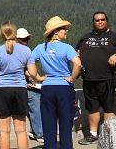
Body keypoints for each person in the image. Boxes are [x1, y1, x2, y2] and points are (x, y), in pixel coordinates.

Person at [75, 11, 116, 144]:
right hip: (88, 78)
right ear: (93, 22)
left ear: (106, 21)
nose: (100, 22)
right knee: (92, 108)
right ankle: (93, 134)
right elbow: (76, 53)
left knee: (109, 108)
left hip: (107, 78)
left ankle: (109, 134)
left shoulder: (114, 37)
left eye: (102, 19)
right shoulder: (85, 37)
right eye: (97, 20)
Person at [31, 16, 82, 149]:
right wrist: (72, 78)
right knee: (65, 125)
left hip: (47, 88)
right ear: (55, 32)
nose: (66, 31)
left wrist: (37, 77)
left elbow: (30, 63)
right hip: (64, 89)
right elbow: (77, 64)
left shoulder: (40, 48)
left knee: (48, 125)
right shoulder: (66, 47)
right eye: (64, 29)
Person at [0, 21, 38, 149]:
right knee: (21, 130)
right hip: (20, 90)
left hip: (2, 90)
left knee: (4, 131)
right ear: (15, 34)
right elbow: (33, 73)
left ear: (2, 34)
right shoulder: (26, 50)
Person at [17, 27, 43, 143]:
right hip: (24, 85)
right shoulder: (25, 51)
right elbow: (28, 71)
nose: (26, 40)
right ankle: (39, 133)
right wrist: (38, 79)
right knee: (35, 104)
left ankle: (34, 131)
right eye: (25, 38)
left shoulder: (10, 49)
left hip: (17, 85)